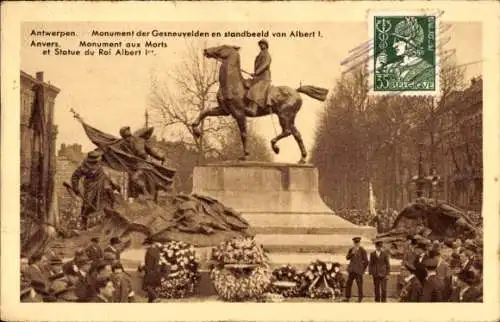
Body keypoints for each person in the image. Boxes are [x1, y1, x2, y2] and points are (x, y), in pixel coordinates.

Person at [375, 17, 433, 84]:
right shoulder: (390, 67)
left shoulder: (428, 70)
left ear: (410, 44)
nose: (394, 45)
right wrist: (378, 68)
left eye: (398, 40)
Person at [71, 150, 120, 230]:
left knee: (109, 196)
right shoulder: (83, 166)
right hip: (91, 186)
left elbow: (107, 173)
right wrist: (75, 187)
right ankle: (84, 222)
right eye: (93, 161)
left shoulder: (101, 163)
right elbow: (75, 176)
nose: (95, 162)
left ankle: (110, 219)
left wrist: (113, 184)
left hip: (103, 182)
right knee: (87, 204)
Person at [119, 126, 166, 199]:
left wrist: (160, 157)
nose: (128, 131)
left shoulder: (136, 140)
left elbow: (150, 151)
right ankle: (145, 194)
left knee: (137, 178)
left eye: (128, 130)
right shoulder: (126, 142)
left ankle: (148, 193)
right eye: (126, 131)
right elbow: (140, 152)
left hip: (140, 165)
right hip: (135, 165)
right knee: (135, 180)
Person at [245, 39, 272, 116]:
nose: (261, 45)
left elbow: (265, 65)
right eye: (260, 44)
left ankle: (253, 109)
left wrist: (256, 73)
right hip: (258, 77)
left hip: (264, 77)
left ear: (266, 45)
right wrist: (255, 74)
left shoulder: (267, 55)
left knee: (255, 88)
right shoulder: (259, 55)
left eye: (262, 44)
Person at [343, 237, 368, 302]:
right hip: (352, 270)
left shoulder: (362, 250)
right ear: (353, 243)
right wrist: (352, 253)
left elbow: (366, 261)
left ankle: (360, 298)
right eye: (355, 243)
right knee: (348, 283)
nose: (356, 244)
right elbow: (347, 258)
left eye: (357, 243)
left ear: (359, 243)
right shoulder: (351, 249)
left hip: (358, 271)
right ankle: (347, 297)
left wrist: (363, 270)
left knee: (359, 284)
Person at [141, 238, 162, 303]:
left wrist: (142, 267)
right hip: (156, 272)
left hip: (150, 272)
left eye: (144, 245)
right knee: (152, 287)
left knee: (147, 286)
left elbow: (149, 266)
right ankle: (151, 301)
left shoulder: (149, 252)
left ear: (147, 244)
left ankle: (156, 297)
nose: (143, 247)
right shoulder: (156, 250)